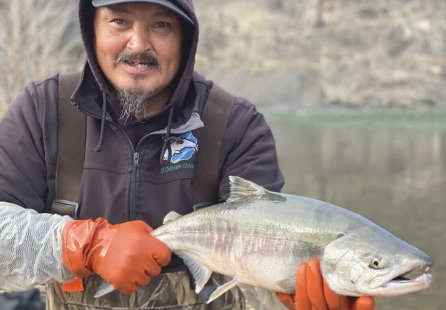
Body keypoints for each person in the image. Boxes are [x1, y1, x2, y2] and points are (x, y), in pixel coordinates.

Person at [0, 0, 374, 309]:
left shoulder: (236, 125)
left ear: (185, 37)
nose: (138, 44)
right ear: (92, 29)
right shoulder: (43, 109)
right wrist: (86, 245)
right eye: (119, 21)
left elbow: (257, 280)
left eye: (160, 25)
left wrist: (292, 294)